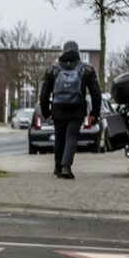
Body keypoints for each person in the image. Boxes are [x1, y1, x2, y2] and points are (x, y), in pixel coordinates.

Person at [37, 41, 101, 179]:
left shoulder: (52, 69)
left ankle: (58, 167)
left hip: (58, 109)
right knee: (71, 137)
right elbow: (96, 93)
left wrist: (45, 112)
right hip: (77, 109)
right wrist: (94, 113)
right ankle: (66, 166)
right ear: (77, 52)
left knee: (59, 138)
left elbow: (44, 93)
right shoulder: (87, 69)